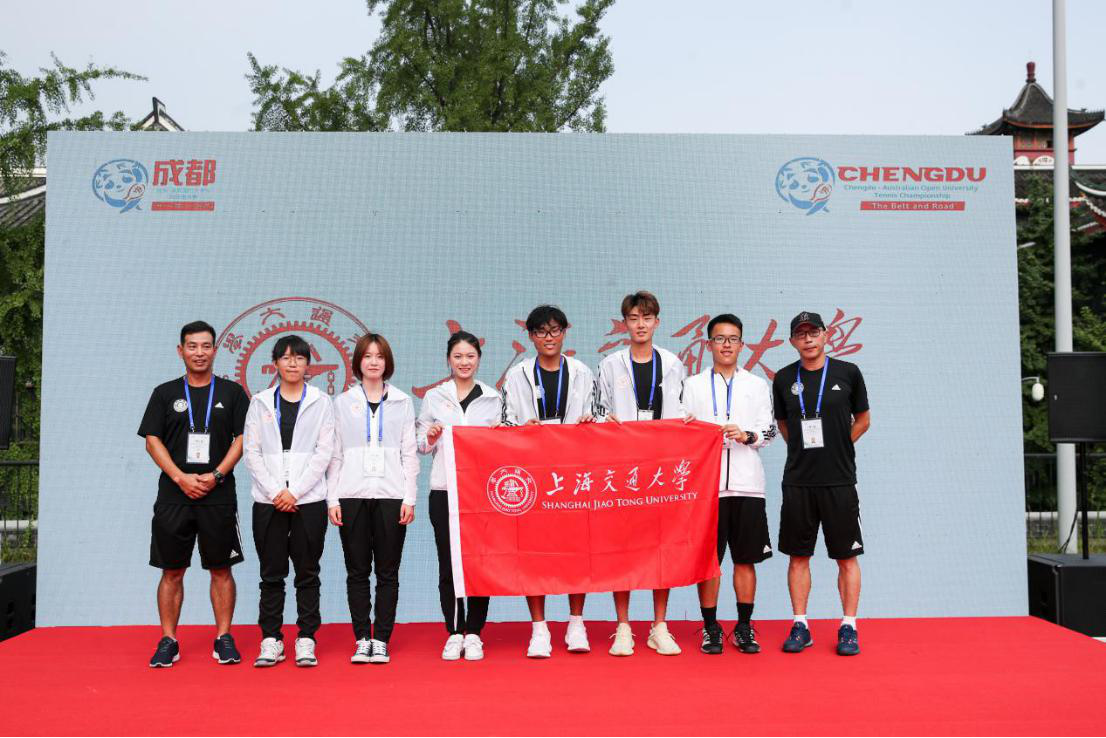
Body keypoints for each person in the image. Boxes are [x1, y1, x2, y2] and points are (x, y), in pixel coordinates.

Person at [139, 321, 249, 668]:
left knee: (221, 569)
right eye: (192, 346)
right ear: (181, 351)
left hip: (218, 494)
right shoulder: (164, 393)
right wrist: (179, 477)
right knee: (172, 570)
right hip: (174, 494)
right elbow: (152, 440)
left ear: (215, 350)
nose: (199, 353)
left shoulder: (232, 393)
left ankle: (223, 638)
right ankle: (168, 640)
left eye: (205, 346)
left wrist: (217, 475)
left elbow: (243, 439)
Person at [772, 312, 870, 656]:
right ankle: (800, 624)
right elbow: (784, 425)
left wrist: (840, 445)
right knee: (798, 556)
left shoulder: (848, 373)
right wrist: (804, 448)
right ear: (792, 342)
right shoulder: (784, 378)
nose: (808, 339)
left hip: (839, 480)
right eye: (801, 334)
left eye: (813, 332)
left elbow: (863, 419)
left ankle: (849, 626)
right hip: (798, 481)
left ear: (826, 335)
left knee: (847, 557)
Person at [502, 305, 597, 658]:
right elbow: (505, 422)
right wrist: (520, 429)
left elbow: (598, 416)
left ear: (565, 332)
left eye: (555, 330)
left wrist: (590, 421)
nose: (549, 338)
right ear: (530, 336)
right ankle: (539, 628)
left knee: (577, 549)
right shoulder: (518, 375)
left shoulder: (583, 373)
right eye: (541, 332)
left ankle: (576, 623)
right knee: (533, 551)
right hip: (533, 475)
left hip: (573, 475)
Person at [596, 291, 686, 657]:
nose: (640, 324)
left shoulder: (673, 363)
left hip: (661, 470)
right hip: (622, 470)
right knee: (623, 546)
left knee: (661, 546)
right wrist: (604, 421)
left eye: (647, 318)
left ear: (657, 322)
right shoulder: (610, 364)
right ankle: (623, 626)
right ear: (625, 324)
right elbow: (598, 410)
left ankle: (659, 626)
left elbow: (681, 411)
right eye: (633, 318)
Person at [681, 314, 776, 655]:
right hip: (706, 487)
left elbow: (769, 431)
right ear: (709, 344)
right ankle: (710, 628)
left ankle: (744, 626)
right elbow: (680, 429)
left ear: (741, 344)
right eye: (719, 338)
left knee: (745, 560)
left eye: (732, 339)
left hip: (747, 485)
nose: (726, 344)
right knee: (709, 561)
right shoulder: (692, 385)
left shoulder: (756, 385)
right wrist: (695, 432)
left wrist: (746, 434)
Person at [243, 335, 335, 668]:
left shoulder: (321, 402)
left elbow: (324, 452)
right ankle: (271, 639)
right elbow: (251, 452)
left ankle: (306, 637)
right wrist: (275, 492)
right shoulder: (260, 402)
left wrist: (294, 491)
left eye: (299, 357)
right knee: (271, 573)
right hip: (268, 501)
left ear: (308, 363)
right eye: (285, 357)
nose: (292, 363)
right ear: (275, 363)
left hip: (308, 500)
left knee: (307, 572)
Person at [328, 333, 418, 665]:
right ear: (358, 362)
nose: (374, 362)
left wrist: (409, 498)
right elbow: (335, 454)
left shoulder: (402, 402)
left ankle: (381, 638)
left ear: (387, 362)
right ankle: (361, 638)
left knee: (387, 571)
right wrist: (332, 500)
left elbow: (409, 454)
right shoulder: (342, 403)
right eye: (367, 356)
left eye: (380, 356)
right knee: (357, 571)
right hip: (351, 494)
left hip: (391, 494)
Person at [416, 331, 504, 661]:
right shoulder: (435, 397)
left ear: (478, 359)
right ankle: (455, 631)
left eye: (470, 356)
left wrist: (500, 437)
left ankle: (475, 633)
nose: (464, 362)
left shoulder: (493, 398)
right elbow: (421, 446)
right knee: (448, 563)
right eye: (458, 357)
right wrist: (430, 436)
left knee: (480, 563)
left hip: (480, 493)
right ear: (448, 360)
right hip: (444, 490)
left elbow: (504, 446)